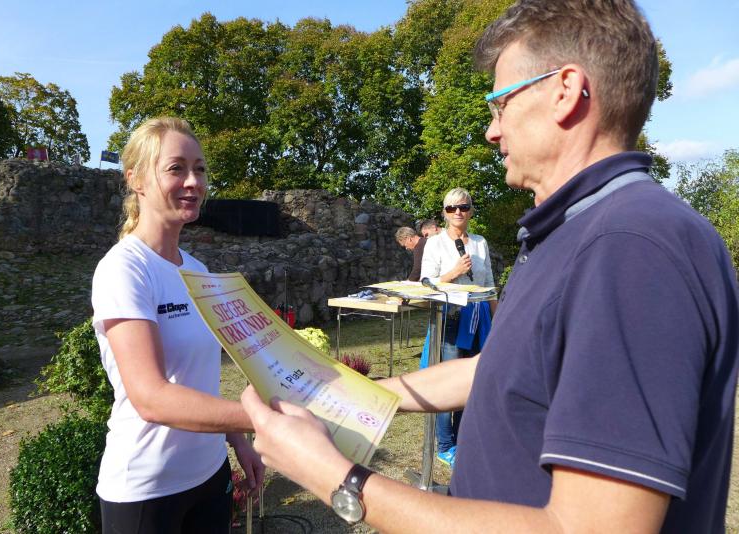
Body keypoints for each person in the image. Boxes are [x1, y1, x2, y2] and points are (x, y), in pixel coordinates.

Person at [239, 1, 739, 532]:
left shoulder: (630, 247)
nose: (491, 132)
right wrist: (355, 396)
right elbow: (498, 370)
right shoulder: (573, 234)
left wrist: (334, 476)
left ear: (565, 91)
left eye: (499, 105)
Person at [91, 117, 265, 534]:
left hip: (209, 474)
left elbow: (198, 378)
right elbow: (151, 398)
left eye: (200, 169)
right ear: (136, 179)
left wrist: (237, 441)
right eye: (176, 168)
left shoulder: (196, 270)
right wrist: (262, 419)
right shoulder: (124, 269)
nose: (193, 182)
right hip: (148, 489)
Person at [419, 187, 496, 467]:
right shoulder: (435, 243)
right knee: (448, 383)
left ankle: (463, 440)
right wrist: (454, 272)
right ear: (444, 213)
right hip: (450, 318)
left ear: (471, 211)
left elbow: (489, 284)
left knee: (472, 381)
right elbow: (426, 282)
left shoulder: (479, 242)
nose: (458, 212)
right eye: (451, 208)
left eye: (463, 207)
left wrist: (497, 320)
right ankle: (445, 445)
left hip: (478, 317)